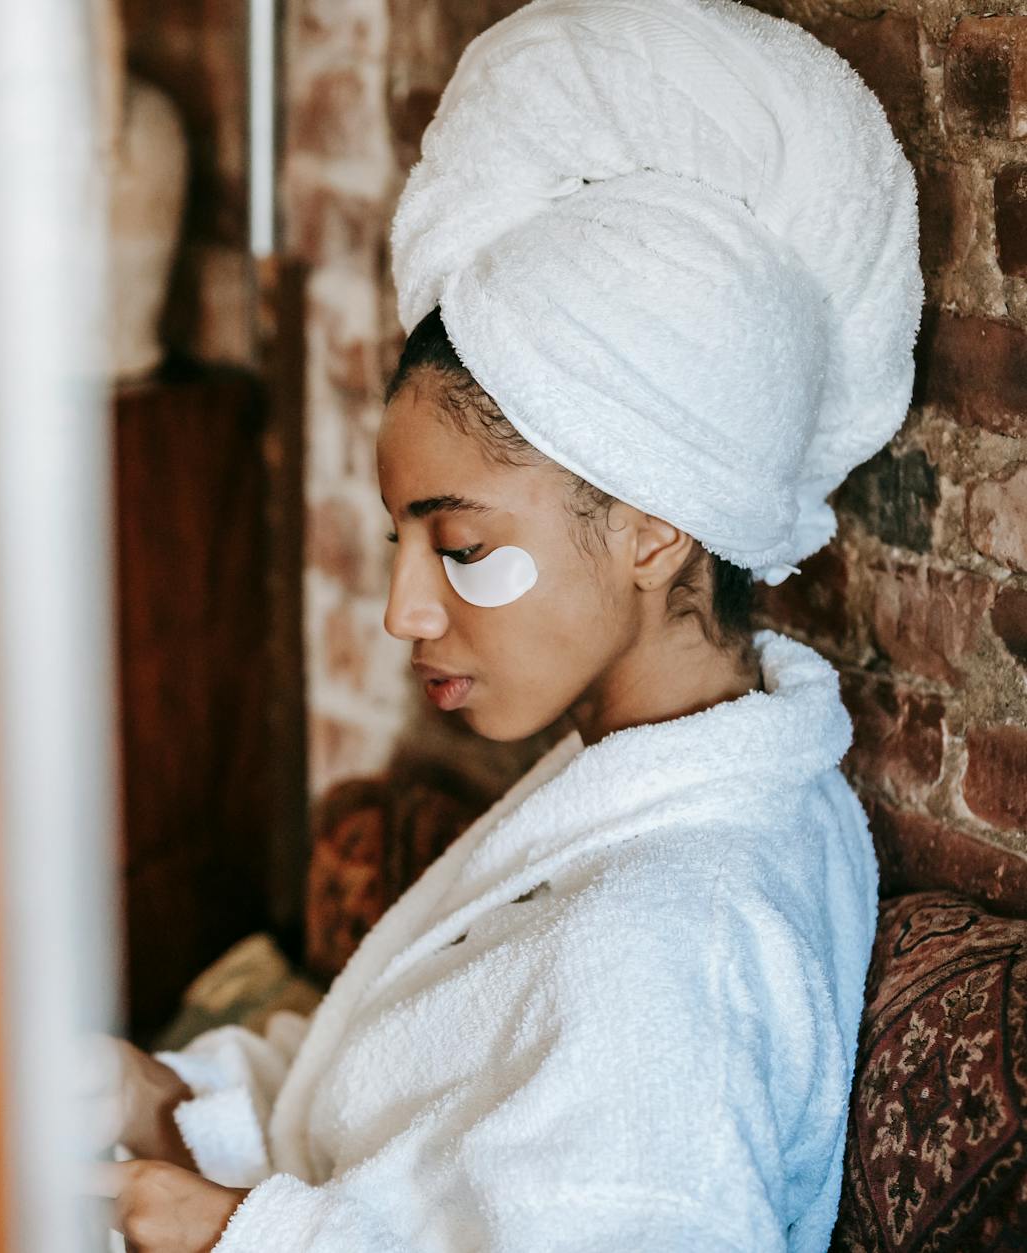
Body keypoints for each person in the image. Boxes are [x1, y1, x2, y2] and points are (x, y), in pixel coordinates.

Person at [83, 0, 924, 1248]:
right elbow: (418, 1153)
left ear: (652, 528)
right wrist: (167, 1102)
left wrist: (231, 1234)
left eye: (462, 547)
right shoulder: (634, 795)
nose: (400, 608)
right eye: (398, 541)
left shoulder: (673, 929)